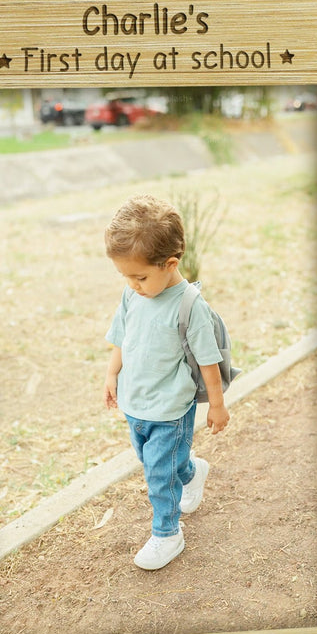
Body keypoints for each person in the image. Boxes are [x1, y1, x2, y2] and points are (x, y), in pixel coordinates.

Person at [103, 195, 229, 570]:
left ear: (170, 264)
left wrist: (218, 406)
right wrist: (112, 374)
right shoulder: (133, 294)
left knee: (158, 475)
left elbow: (209, 361)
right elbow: (122, 336)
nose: (132, 284)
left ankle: (167, 534)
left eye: (140, 276)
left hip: (171, 409)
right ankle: (191, 470)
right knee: (151, 460)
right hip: (136, 402)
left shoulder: (189, 307)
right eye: (126, 276)